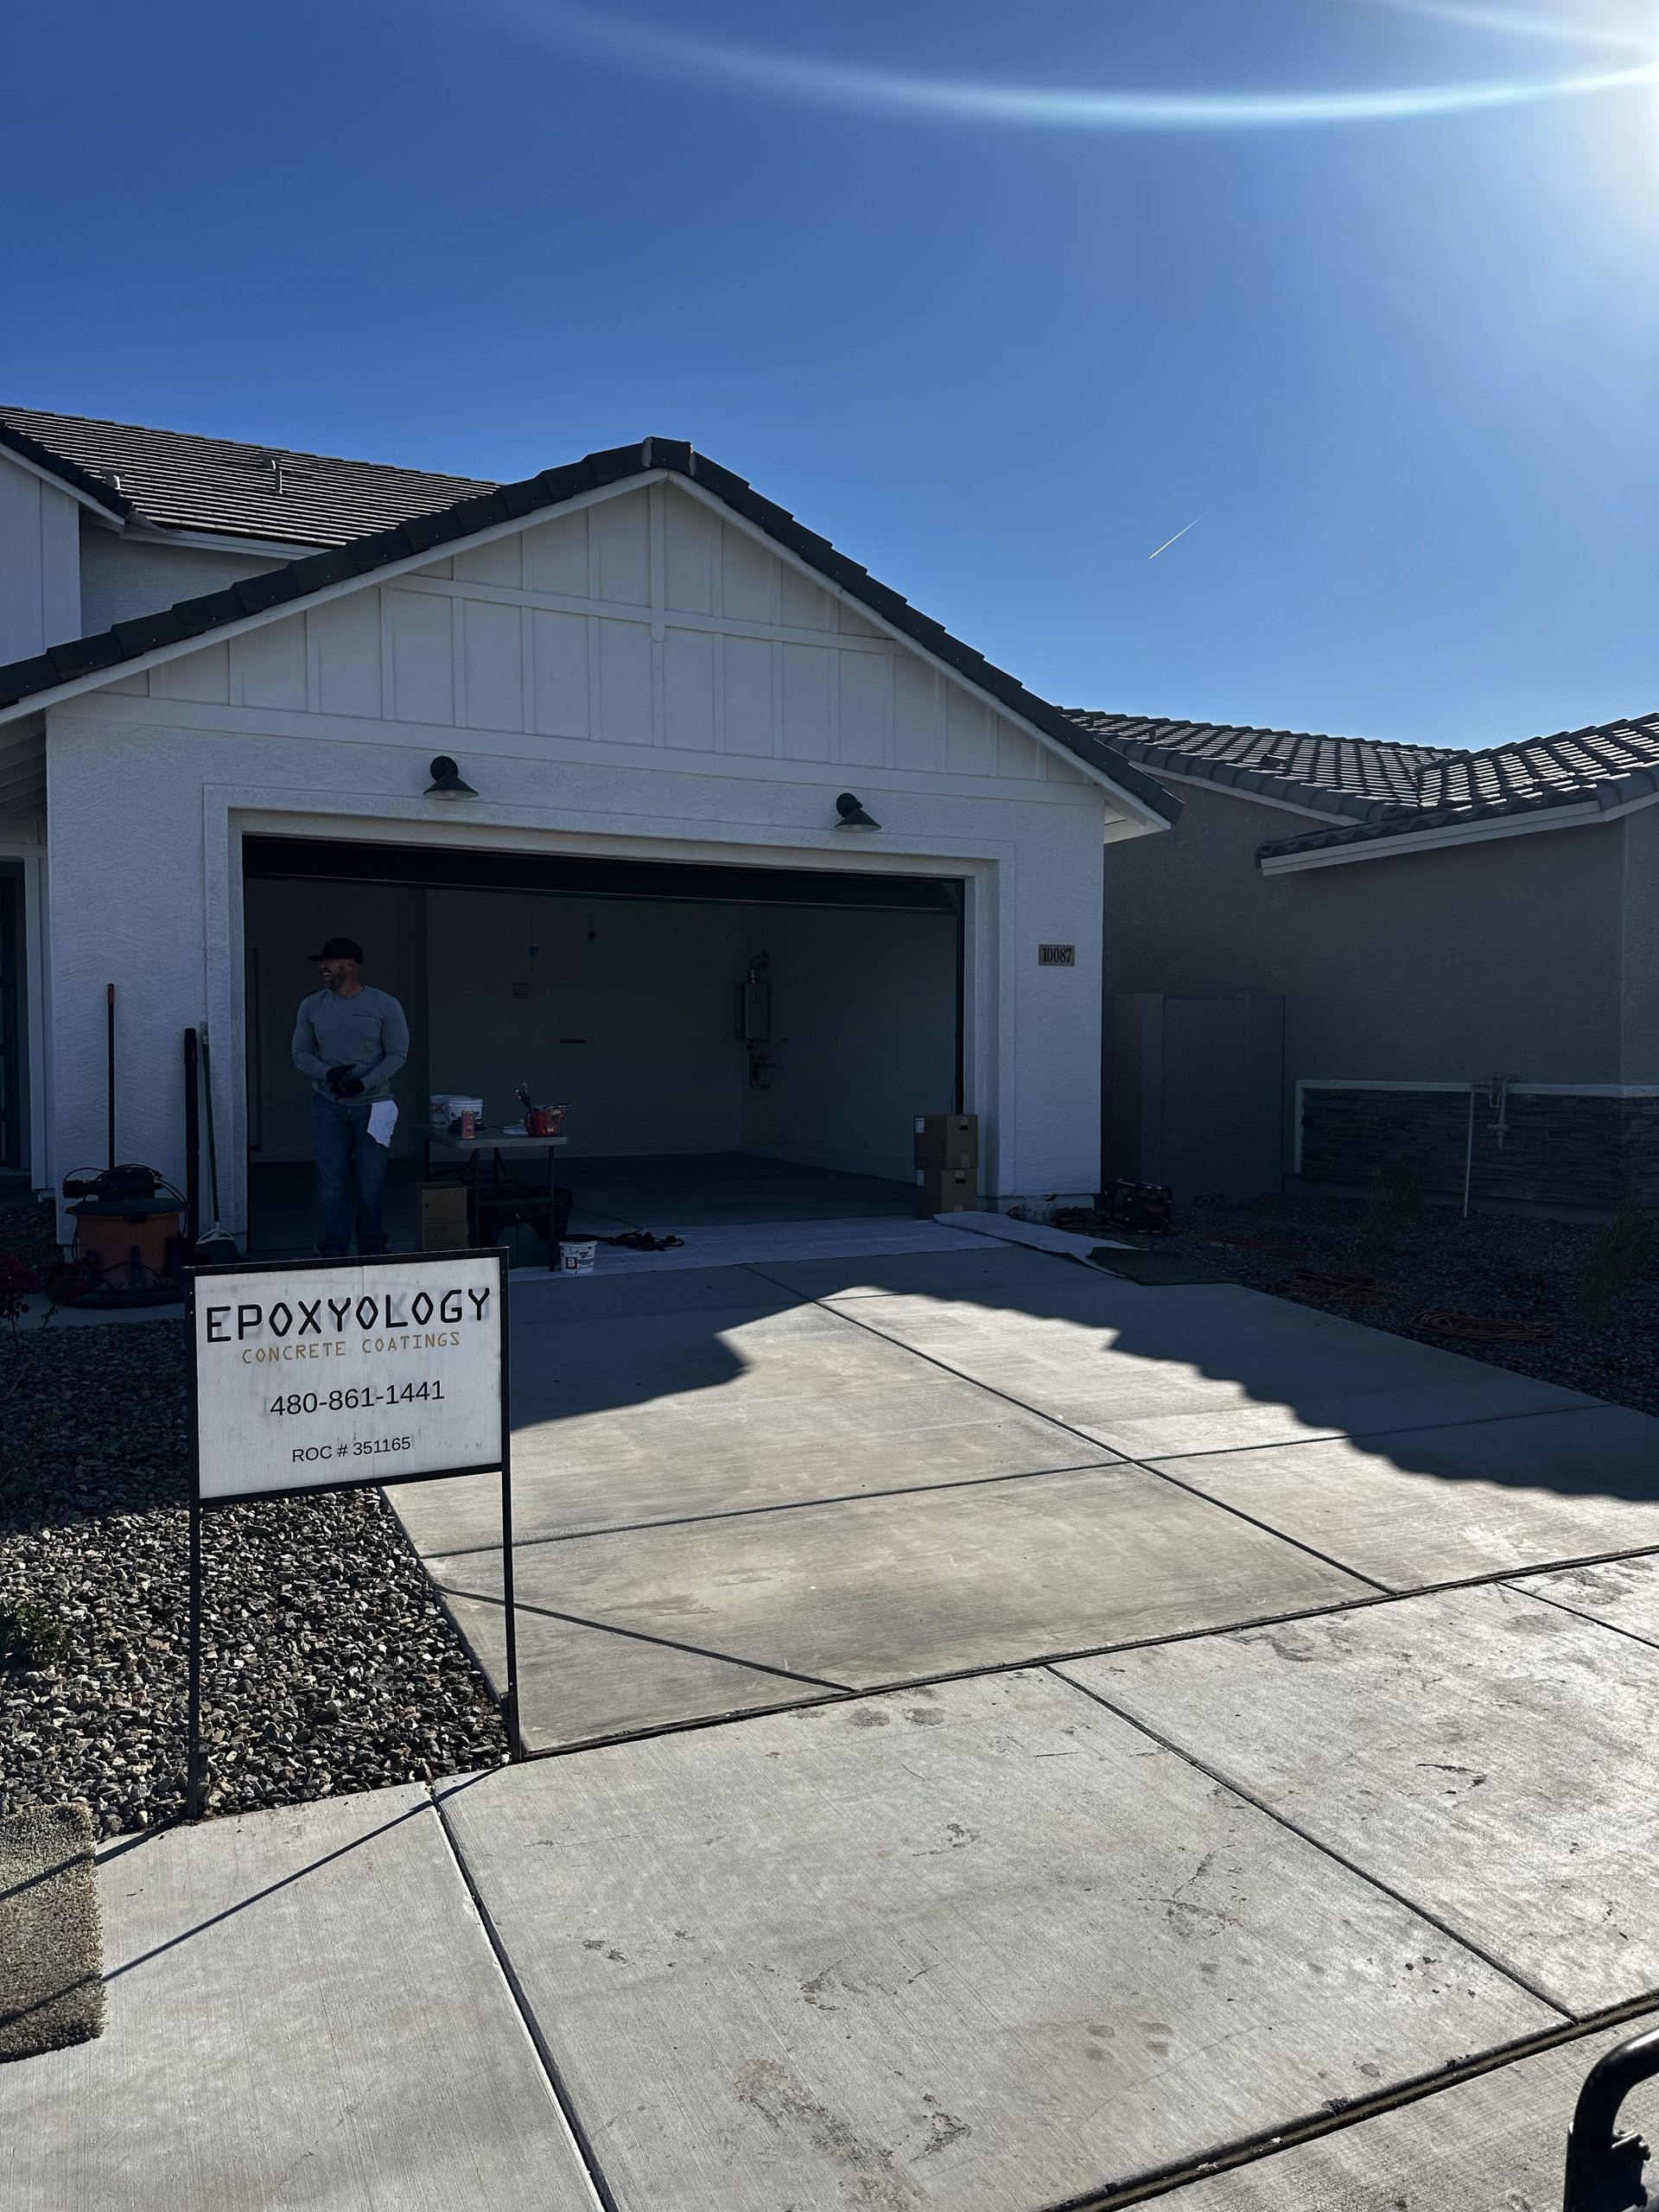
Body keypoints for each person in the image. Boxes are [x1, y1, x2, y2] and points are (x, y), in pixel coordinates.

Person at [291, 937, 410, 1257]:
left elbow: (398, 1054)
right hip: (327, 1106)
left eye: (328, 961)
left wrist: (364, 1083)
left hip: (376, 1107)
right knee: (331, 1185)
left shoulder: (385, 1005)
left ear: (350, 964)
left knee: (371, 1184)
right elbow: (300, 1053)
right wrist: (327, 1073)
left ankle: (372, 1247)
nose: (322, 967)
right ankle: (334, 1248)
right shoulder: (312, 1005)